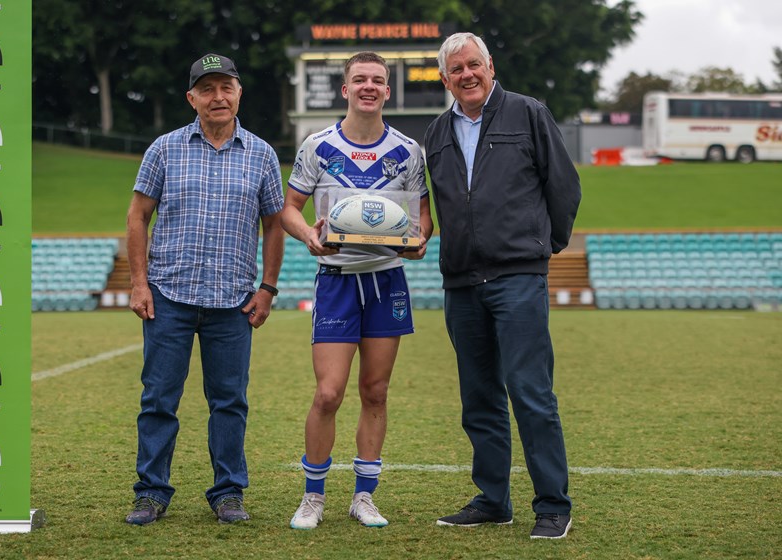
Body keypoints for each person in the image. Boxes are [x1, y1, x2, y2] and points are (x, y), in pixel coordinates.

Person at [424, 33, 581, 539]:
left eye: (474, 65)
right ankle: (493, 500)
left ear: (490, 65)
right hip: (461, 282)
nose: (467, 75)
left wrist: (541, 245)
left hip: (517, 276)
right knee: (479, 398)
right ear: (445, 79)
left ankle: (552, 504)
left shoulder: (528, 113)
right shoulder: (436, 132)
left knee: (530, 393)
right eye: (456, 70)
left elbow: (563, 185)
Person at [124, 53, 285, 526]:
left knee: (230, 402)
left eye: (226, 88)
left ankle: (228, 493)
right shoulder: (164, 149)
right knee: (158, 401)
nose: (218, 97)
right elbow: (138, 216)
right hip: (169, 298)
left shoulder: (261, 154)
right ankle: (151, 492)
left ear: (239, 94)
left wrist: (268, 288)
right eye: (208, 89)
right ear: (192, 97)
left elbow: (274, 224)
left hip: (233, 304)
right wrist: (139, 283)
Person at [281, 51, 433, 530]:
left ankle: (364, 495)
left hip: (387, 279)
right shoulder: (318, 146)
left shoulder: (409, 151)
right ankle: (313, 497)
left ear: (388, 91)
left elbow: (423, 218)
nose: (369, 86)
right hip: (337, 281)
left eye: (378, 80)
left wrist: (419, 241)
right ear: (346, 89)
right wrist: (309, 235)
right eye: (360, 79)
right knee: (328, 394)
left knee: (376, 390)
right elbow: (289, 208)